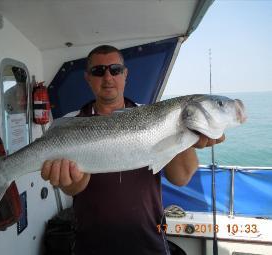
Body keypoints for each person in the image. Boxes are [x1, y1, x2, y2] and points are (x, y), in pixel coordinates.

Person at [41, 45, 225, 255]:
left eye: (115, 70)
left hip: (149, 243)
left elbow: (181, 177)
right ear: (88, 78)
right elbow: (73, 189)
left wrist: (184, 134)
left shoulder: (154, 116)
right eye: (98, 71)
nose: (108, 77)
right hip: (90, 245)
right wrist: (70, 179)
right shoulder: (71, 122)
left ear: (125, 74)